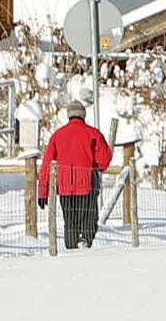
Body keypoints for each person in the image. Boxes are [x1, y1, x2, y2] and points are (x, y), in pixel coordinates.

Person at [38, 99, 112, 247]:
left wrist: (43, 191)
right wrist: (96, 166)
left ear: (69, 115)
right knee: (88, 216)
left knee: (69, 221)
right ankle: (85, 240)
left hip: (65, 187)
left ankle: (71, 249)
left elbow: (47, 164)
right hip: (87, 184)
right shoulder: (93, 134)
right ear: (83, 115)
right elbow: (104, 160)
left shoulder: (57, 136)